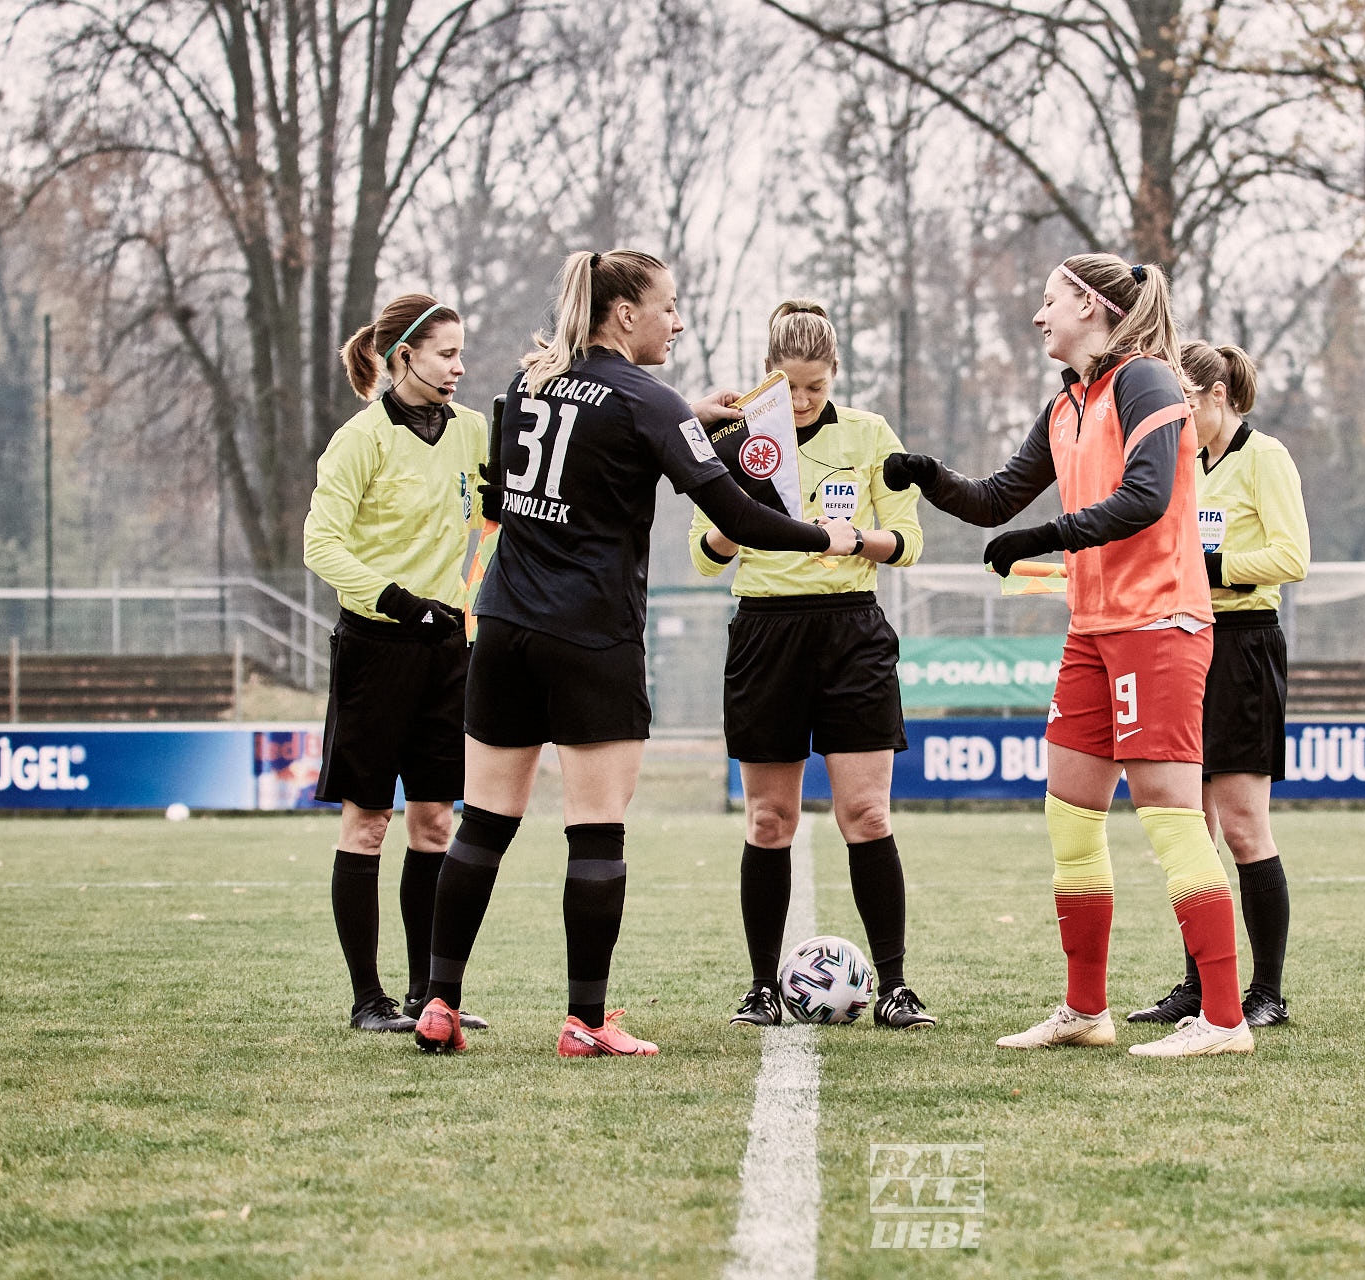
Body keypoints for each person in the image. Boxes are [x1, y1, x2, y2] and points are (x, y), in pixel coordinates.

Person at [412, 250, 859, 1057]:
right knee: (595, 833)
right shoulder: (649, 401)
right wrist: (824, 536)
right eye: (668, 306)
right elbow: (739, 516)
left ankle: (439, 1003)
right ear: (625, 314)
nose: (676, 321)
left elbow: (523, 479)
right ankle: (584, 1022)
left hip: (504, 627)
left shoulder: (529, 383)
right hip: (591, 636)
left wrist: (685, 417)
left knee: (482, 826)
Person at [884, 253, 1252, 1057]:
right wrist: (928, 475)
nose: (1039, 315)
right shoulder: (1066, 403)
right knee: (1071, 814)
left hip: (1160, 623)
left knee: (1170, 816)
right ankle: (1086, 1011)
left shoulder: (1146, 381)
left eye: (1049, 300)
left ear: (1089, 305)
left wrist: (1047, 537)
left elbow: (1146, 497)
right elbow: (994, 500)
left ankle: (1225, 1020)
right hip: (1093, 629)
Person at [688, 300, 934, 1031]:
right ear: (768, 373)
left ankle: (895, 988)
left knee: (867, 812)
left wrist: (853, 539)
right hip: (766, 633)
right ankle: (762, 988)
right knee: (771, 818)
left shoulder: (870, 434)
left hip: (851, 632)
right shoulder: (732, 436)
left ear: (834, 376)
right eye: (789, 386)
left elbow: (908, 541)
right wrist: (737, 520)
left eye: (815, 387)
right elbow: (703, 557)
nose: (800, 401)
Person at [303, 293, 489, 1034]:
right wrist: (398, 601)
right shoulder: (359, 440)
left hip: (448, 653)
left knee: (436, 823)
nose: (459, 366)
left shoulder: (472, 430)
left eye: (461, 352)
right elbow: (320, 545)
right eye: (446, 353)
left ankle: (428, 996)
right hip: (375, 652)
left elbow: (504, 506)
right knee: (369, 823)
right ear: (403, 356)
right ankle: (367, 1001)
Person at [1127, 340, 1310, 1030]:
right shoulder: (1184, 463)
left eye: (1184, 403)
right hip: (1185, 642)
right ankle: (1200, 986)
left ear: (1217, 395)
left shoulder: (1266, 458)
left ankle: (1266, 994)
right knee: (1190, 828)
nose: (1176, 418)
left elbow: (1292, 556)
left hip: (1244, 647)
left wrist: (1215, 567)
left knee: (1241, 825)